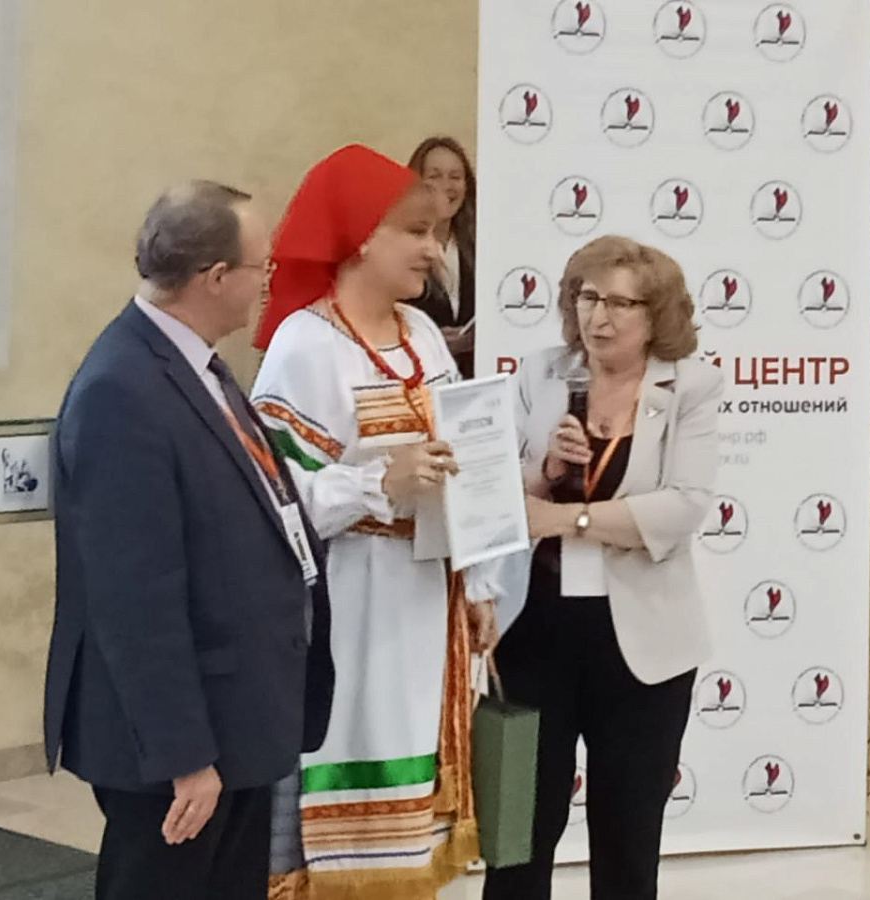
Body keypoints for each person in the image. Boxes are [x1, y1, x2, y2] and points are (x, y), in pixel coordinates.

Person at [43, 183, 334, 900]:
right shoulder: (121, 389)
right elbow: (133, 596)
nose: (269, 284)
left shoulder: (196, 364)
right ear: (215, 277)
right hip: (180, 743)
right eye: (262, 267)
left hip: (237, 715)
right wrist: (184, 755)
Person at [251, 144, 499, 900]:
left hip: (428, 604)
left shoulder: (422, 336)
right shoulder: (305, 344)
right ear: (361, 238)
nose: (434, 249)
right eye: (415, 232)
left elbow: (468, 465)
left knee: (416, 818)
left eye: (435, 233)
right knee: (345, 780)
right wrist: (376, 484)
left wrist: (479, 579)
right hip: (349, 609)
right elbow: (272, 499)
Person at [482, 236, 723, 900]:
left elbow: (682, 506)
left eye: (621, 303)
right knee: (516, 833)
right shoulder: (540, 373)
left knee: (627, 835)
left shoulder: (691, 386)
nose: (600, 317)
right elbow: (495, 490)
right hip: (534, 632)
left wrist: (568, 520)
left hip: (642, 644)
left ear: (656, 314)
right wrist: (546, 468)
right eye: (588, 297)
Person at [403, 136, 477, 379]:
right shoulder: (398, 249)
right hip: (417, 382)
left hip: (473, 383)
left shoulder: (479, 247)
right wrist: (433, 342)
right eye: (434, 176)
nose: (446, 185)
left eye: (455, 177)